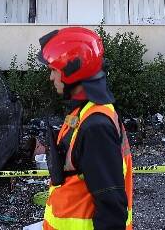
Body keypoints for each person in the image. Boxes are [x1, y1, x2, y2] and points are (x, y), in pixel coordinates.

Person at [38, 27, 133, 230]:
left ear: (72, 71)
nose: (51, 78)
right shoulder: (85, 111)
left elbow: (112, 208)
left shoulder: (95, 127)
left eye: (53, 70)